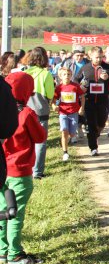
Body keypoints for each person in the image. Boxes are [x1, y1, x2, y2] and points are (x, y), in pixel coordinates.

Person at [1, 72, 47, 264]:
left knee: (3, 210)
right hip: (20, 172)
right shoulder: (26, 113)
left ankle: (2, 250)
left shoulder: (3, 110)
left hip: (3, 170)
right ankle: (15, 254)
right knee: (16, 213)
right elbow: (40, 137)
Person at [77, 46, 109, 156]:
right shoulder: (85, 68)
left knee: (101, 123)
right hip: (89, 100)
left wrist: (108, 78)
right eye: (96, 57)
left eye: (101, 57)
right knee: (91, 125)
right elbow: (76, 81)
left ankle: (95, 134)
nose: (99, 59)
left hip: (103, 100)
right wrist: (81, 87)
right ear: (90, 56)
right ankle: (93, 148)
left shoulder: (108, 67)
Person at [24, 47, 55, 179]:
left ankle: (26, 168)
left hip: (25, 110)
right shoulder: (46, 74)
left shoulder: (25, 73)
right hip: (40, 110)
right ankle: (37, 172)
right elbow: (50, 94)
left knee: (27, 140)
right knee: (40, 141)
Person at [52, 67, 85, 162]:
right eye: (64, 74)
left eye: (68, 74)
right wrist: (54, 106)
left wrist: (82, 107)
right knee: (64, 131)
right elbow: (54, 99)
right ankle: (65, 152)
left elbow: (82, 97)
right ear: (60, 76)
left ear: (71, 76)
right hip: (63, 113)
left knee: (72, 133)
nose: (66, 76)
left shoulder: (75, 86)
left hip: (73, 113)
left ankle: (73, 135)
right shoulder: (59, 87)